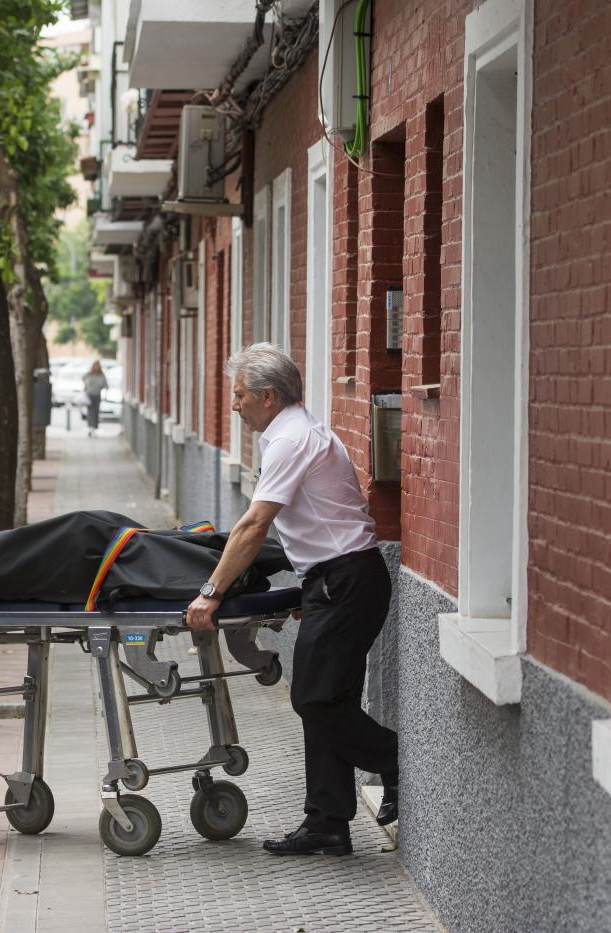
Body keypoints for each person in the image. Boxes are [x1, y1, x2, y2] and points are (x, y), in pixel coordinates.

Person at [185, 342, 398, 857]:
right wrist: (308, 585)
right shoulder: (293, 434)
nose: (234, 405)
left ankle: (397, 761)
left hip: (346, 581)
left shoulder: (292, 439)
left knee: (313, 700)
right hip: (333, 580)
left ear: (268, 396)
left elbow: (254, 524)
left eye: (239, 395)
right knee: (330, 700)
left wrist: (210, 593)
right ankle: (326, 822)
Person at [82, 360, 108, 436]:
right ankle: (90, 427)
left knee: (96, 412)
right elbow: (83, 378)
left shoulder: (101, 375)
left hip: (97, 395)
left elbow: (105, 385)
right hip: (89, 395)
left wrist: (104, 391)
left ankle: (94, 427)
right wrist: (86, 386)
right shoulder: (89, 374)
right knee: (90, 412)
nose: (96, 367)